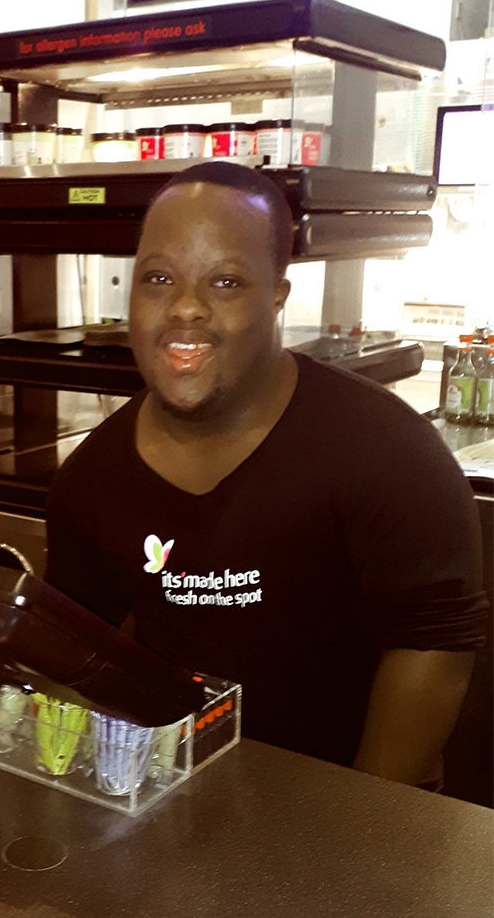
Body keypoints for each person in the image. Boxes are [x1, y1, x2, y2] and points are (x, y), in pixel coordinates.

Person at [45, 161, 488, 785]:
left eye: (225, 281)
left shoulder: (386, 453)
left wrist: (365, 820)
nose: (186, 308)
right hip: (181, 792)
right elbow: (75, 644)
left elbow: (434, 648)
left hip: (355, 802)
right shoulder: (91, 478)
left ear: (276, 297)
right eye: (159, 278)